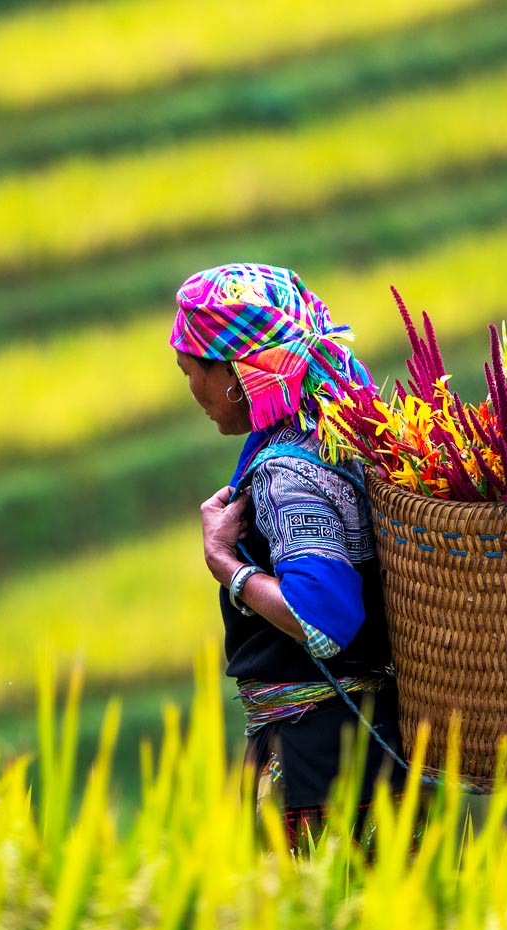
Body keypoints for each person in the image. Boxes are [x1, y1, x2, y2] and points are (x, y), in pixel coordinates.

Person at [170, 263, 408, 853]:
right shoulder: (339, 429)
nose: (192, 391)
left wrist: (226, 563)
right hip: (376, 748)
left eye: (191, 371)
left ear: (233, 373)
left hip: (321, 767)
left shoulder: (288, 472)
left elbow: (323, 623)